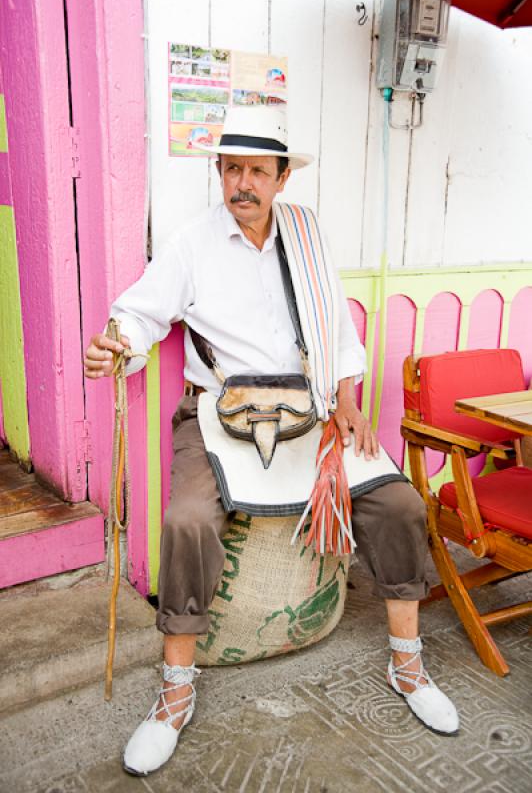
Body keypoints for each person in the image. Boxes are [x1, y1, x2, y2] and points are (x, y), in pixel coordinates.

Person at [84, 106, 459, 777]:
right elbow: (140, 314)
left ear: (283, 177)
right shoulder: (192, 243)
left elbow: (339, 332)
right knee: (189, 519)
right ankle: (175, 692)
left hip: (310, 409)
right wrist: (118, 346)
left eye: (258, 170)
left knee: (399, 503)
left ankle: (409, 664)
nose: (242, 183)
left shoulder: (307, 236)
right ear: (219, 174)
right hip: (217, 412)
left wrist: (346, 399)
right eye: (231, 169)